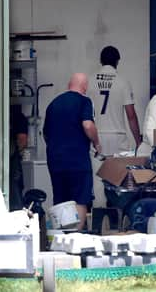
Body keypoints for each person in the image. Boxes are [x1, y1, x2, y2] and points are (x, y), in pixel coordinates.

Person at [43, 73, 101, 230]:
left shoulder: (53, 104)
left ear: (69, 84)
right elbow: (88, 125)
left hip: (55, 160)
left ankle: (61, 238)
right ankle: (76, 238)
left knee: (61, 198)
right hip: (78, 160)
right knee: (80, 198)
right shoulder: (84, 101)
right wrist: (97, 143)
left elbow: (46, 133)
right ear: (85, 87)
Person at [91, 46, 142, 155]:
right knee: (119, 171)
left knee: (97, 171)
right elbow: (131, 115)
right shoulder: (123, 82)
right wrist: (138, 141)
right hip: (118, 136)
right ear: (117, 61)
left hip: (96, 135)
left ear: (100, 61)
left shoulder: (90, 81)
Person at [9, 105, 29, 211]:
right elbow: (22, 139)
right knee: (15, 191)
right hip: (13, 159)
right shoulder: (19, 117)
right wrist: (20, 152)